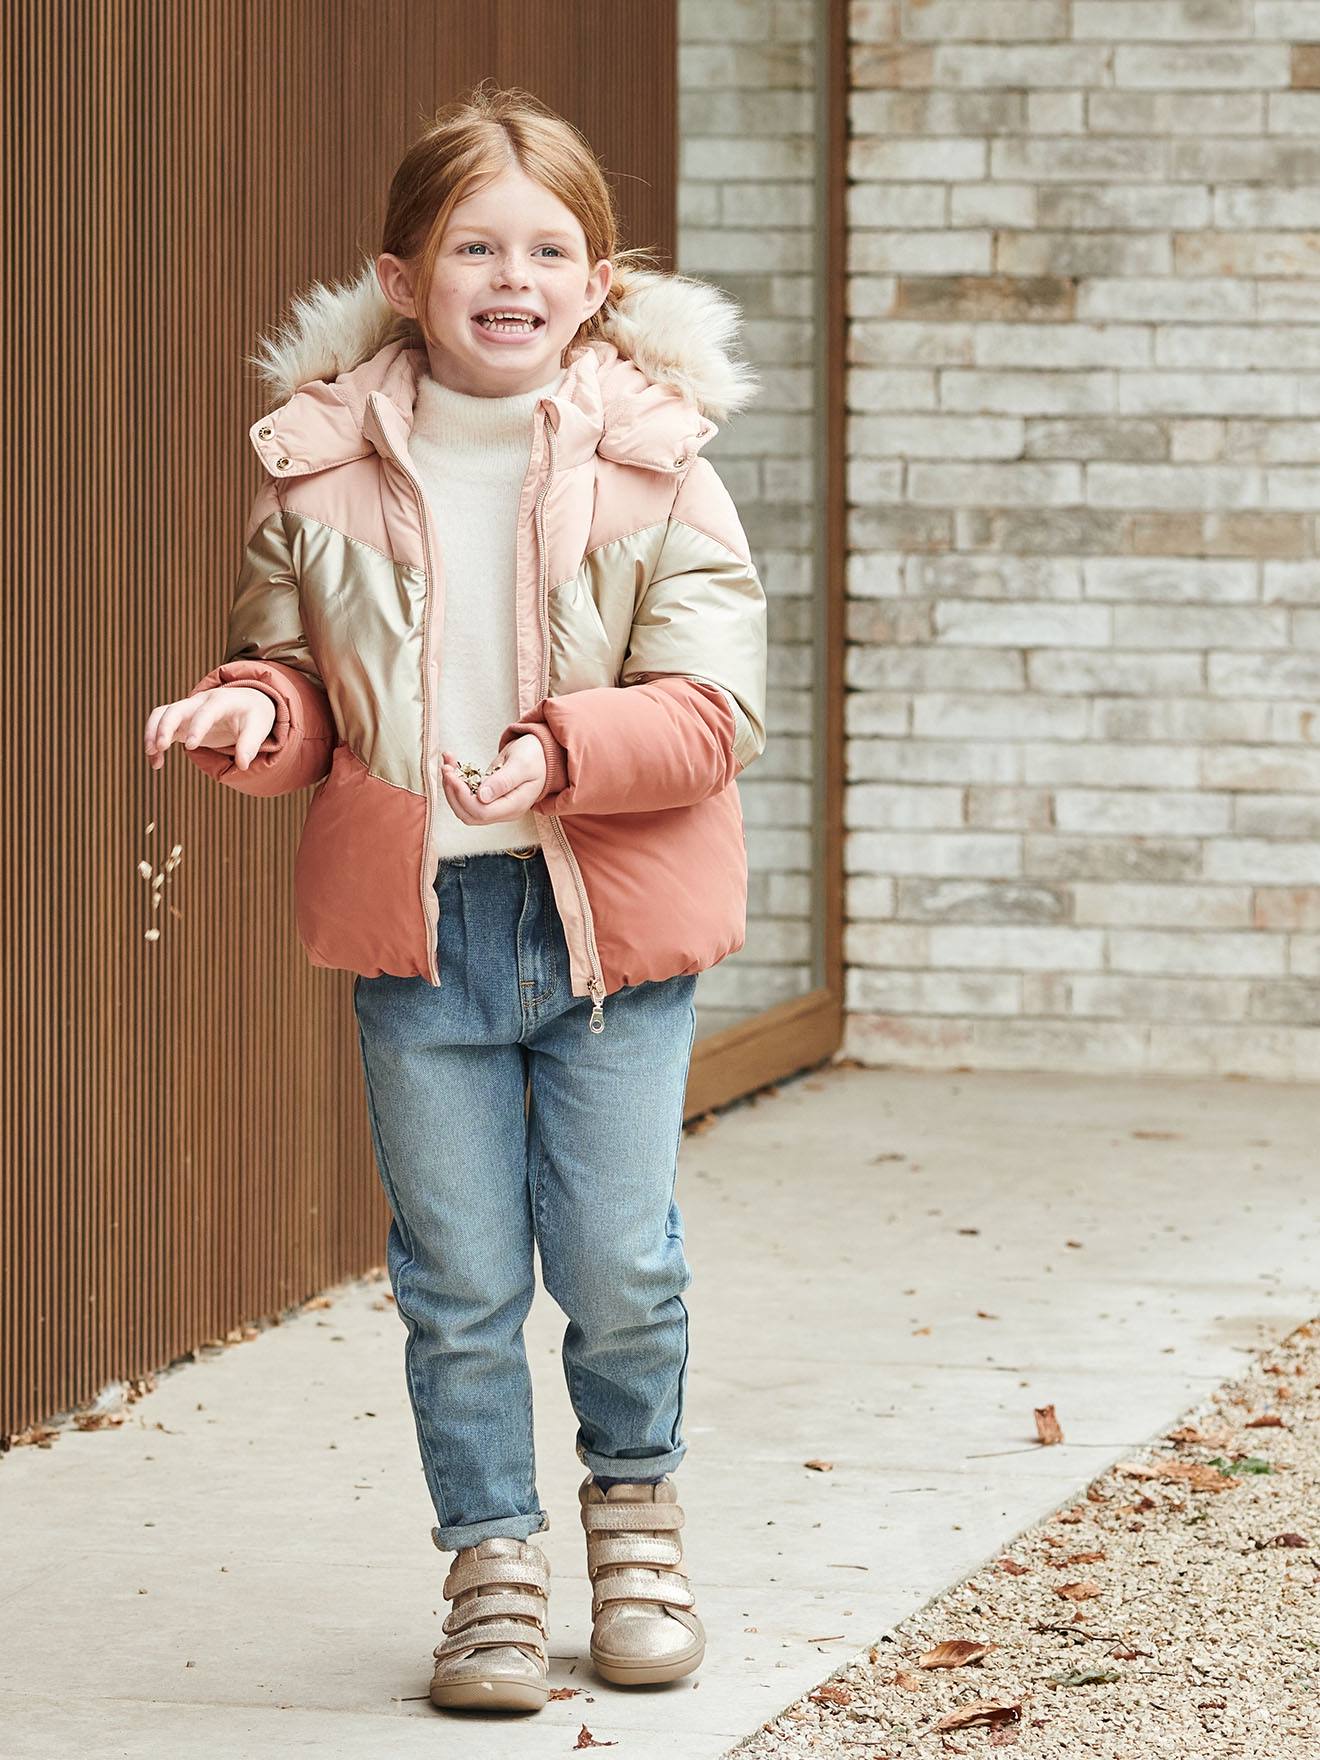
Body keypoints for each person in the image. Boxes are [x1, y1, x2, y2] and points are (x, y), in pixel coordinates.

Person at [143, 82, 767, 1715]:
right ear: (404, 277)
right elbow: (293, 680)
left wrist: (560, 755)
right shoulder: (319, 469)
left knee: (621, 1259)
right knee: (459, 1279)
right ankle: (491, 1566)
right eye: (474, 244)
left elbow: (713, 716)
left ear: (598, 281)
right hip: (422, 942)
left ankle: (634, 1526)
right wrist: (252, 718)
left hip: (606, 938)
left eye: (549, 246)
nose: (514, 273)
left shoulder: (660, 470)